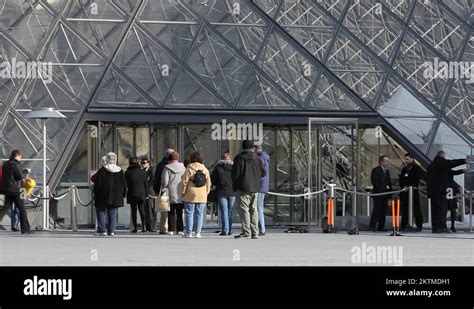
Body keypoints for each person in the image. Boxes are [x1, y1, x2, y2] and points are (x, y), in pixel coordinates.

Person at [232, 140, 266, 239]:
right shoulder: (258, 159)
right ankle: (255, 231)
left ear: (243, 147)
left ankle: (246, 231)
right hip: (255, 187)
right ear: (253, 148)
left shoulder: (239, 158)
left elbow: (235, 174)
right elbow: (263, 173)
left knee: (244, 210)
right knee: (253, 209)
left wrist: (236, 185)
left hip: (243, 187)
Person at [426, 151, 466, 233]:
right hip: (440, 191)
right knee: (442, 209)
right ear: (442, 156)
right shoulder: (441, 163)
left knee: (435, 210)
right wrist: (463, 161)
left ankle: (435, 227)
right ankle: (441, 227)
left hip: (433, 192)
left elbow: (426, 178)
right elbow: (451, 163)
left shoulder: (430, 166)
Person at [93, 152, 127, 236]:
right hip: (116, 196)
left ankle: (102, 230)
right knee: (113, 213)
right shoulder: (120, 171)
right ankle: (111, 230)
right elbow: (124, 184)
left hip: (102, 195)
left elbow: (98, 184)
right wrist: (123, 194)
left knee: (101, 212)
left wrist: (95, 193)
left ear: (107, 159)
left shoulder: (102, 170)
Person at [0, 150, 33, 234]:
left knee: (5, 208)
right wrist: (26, 171)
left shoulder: (6, 164)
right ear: (18, 156)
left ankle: (25, 228)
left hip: (7, 189)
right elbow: (19, 176)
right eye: (20, 157)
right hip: (17, 190)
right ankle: (25, 229)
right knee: (22, 209)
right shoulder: (16, 164)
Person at [181, 151, 211, 238]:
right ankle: (198, 232)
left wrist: (183, 192)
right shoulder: (205, 170)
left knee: (189, 213)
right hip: (202, 194)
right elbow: (208, 183)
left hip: (190, 194)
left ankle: (189, 232)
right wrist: (206, 192)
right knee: (199, 214)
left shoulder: (189, 169)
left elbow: (184, 182)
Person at [398, 153, 425, 231]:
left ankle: (419, 225)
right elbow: (401, 180)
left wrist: (410, 186)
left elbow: (416, 179)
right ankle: (404, 225)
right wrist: (404, 187)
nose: (406, 161)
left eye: (407, 159)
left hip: (413, 191)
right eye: (405, 159)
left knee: (416, 209)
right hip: (405, 192)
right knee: (405, 209)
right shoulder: (404, 169)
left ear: (412, 159)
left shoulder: (417, 168)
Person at [211, 153, 236, 236]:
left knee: (224, 212)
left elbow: (213, 180)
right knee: (230, 211)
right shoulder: (234, 168)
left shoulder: (218, 168)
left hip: (221, 191)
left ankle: (225, 230)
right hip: (232, 192)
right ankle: (229, 230)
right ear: (229, 159)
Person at [161, 151, 186, 235]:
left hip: (170, 191)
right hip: (180, 191)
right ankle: (180, 229)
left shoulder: (167, 168)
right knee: (179, 212)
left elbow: (165, 181)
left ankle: (171, 229)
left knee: (171, 212)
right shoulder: (183, 167)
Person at [153, 148, 174, 234]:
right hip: (173, 190)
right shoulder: (174, 165)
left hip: (162, 190)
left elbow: (156, 179)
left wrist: (157, 190)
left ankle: (163, 228)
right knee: (173, 210)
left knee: (163, 210)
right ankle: (172, 228)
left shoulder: (160, 165)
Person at [125, 157, 148, 233]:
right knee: (142, 210)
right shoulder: (143, 172)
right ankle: (144, 227)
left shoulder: (127, 172)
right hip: (141, 193)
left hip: (132, 193)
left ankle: (135, 228)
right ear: (138, 163)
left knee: (133, 211)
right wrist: (146, 194)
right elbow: (145, 184)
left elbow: (126, 184)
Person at [369, 155, 392, 232]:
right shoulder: (376, 170)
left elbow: (388, 182)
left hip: (385, 194)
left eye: (388, 161)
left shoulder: (387, 171)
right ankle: (372, 225)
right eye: (386, 161)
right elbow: (374, 181)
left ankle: (381, 226)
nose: (387, 163)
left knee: (383, 211)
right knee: (377, 210)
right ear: (381, 162)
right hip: (379, 194)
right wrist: (381, 190)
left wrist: (389, 193)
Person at [255, 144, 270, 236]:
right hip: (263, 185)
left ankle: (261, 228)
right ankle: (261, 228)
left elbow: (260, 172)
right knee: (259, 207)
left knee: (258, 208)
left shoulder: (260, 159)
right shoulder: (265, 157)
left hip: (260, 185)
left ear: (257, 149)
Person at [141, 158, 156, 232]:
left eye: (144, 163)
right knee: (145, 209)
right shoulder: (141, 171)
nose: (143, 164)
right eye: (142, 163)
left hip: (150, 191)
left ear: (148, 164)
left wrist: (146, 185)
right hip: (143, 192)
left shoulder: (151, 170)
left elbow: (152, 180)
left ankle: (152, 227)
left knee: (151, 209)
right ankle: (147, 226)